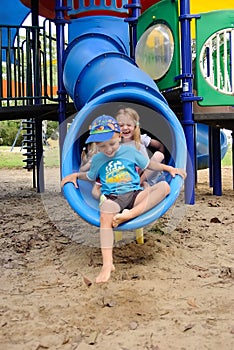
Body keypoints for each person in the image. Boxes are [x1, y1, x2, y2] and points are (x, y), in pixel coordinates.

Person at [61, 115, 186, 284]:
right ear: (96, 145)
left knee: (164, 187)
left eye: (112, 144)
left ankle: (129, 214)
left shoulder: (130, 151)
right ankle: (107, 264)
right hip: (114, 198)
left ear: (119, 136)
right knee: (105, 213)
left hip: (135, 194)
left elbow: (149, 165)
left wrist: (169, 167)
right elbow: (90, 176)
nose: (109, 149)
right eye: (102, 146)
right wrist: (75, 175)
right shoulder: (98, 159)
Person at [115, 107, 165, 186]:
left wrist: (163, 165)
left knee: (159, 155)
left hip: (146, 175)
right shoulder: (116, 143)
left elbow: (160, 146)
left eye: (128, 125)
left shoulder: (141, 139)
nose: (125, 128)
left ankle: (139, 182)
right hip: (129, 177)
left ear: (135, 126)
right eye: (121, 125)